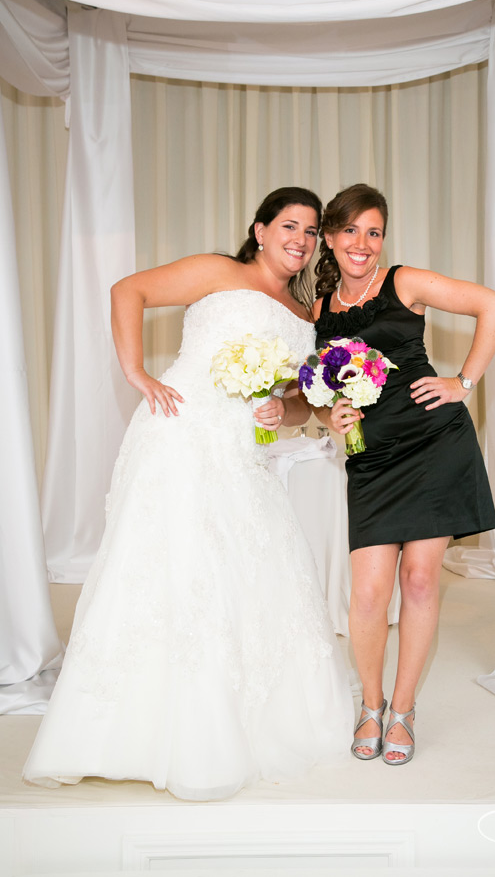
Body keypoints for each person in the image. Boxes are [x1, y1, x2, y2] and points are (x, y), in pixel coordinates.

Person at [23, 186, 353, 800]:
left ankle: (233, 724)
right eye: (289, 225)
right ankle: (130, 730)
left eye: (310, 232)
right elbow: (130, 290)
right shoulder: (218, 271)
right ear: (259, 231)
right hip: (179, 433)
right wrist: (136, 372)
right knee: (168, 568)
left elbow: (302, 400)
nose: (300, 240)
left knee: (246, 574)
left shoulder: (307, 315)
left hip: (242, 451)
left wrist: (285, 406)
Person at [312, 184, 495, 766]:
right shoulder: (319, 309)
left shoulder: (405, 282)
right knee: (370, 593)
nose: (363, 243)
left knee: (421, 582)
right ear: (329, 237)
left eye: (374, 232)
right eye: (350, 231)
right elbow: (312, 391)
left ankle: (402, 710)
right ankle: (369, 705)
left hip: (433, 444)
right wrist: (330, 416)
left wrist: (463, 383)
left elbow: (494, 306)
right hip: (371, 459)